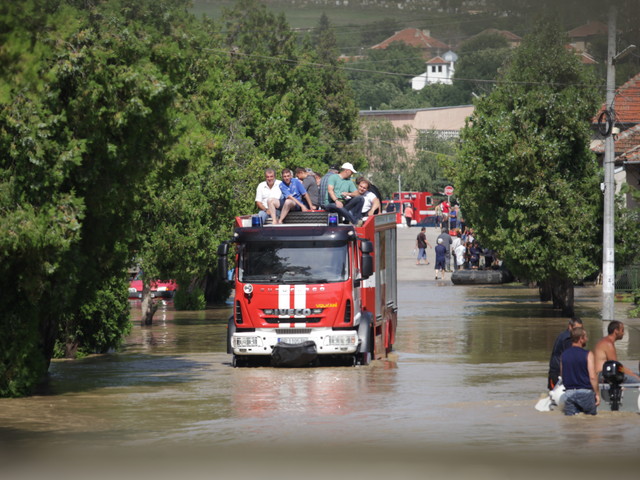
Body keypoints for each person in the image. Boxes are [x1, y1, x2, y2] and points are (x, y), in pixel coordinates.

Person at [560, 327, 599, 416]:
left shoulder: (564, 355)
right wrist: (597, 394)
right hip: (585, 393)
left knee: (571, 424)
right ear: (581, 339)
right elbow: (593, 377)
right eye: (585, 337)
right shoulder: (588, 354)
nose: (587, 339)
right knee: (590, 422)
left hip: (569, 394)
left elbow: (562, 375)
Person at [547, 317, 584, 390]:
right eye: (576, 328)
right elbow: (569, 359)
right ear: (570, 326)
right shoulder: (568, 338)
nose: (579, 331)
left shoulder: (564, 335)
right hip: (558, 374)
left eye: (581, 329)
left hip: (556, 372)